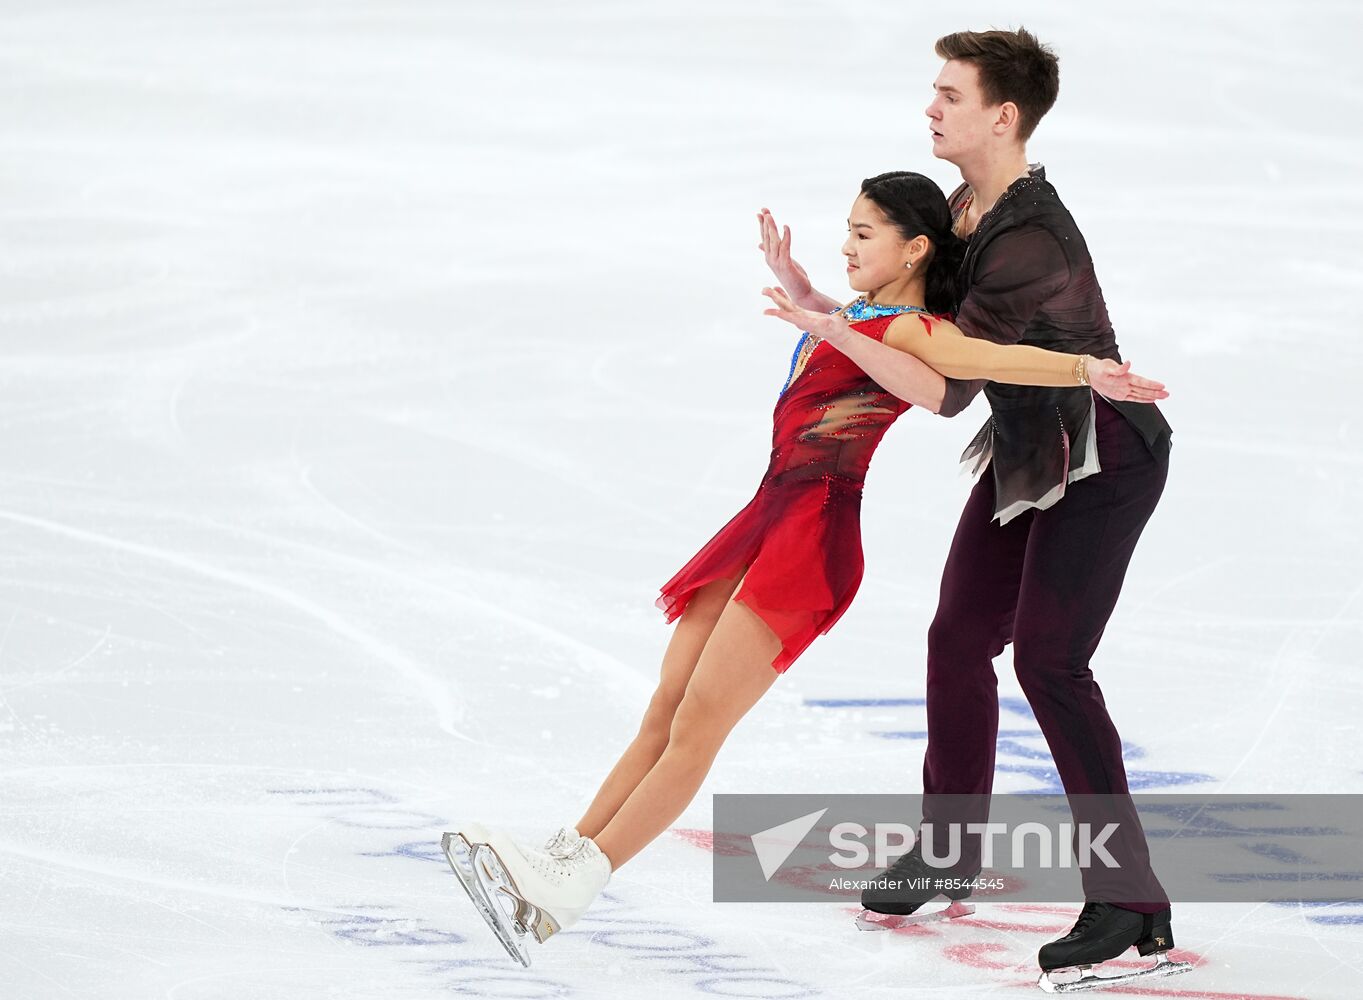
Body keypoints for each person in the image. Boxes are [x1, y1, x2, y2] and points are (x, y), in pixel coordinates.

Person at [441, 171, 1168, 968]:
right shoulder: (865, 314)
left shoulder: (913, 331)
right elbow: (855, 324)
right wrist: (808, 293)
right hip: (764, 518)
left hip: (810, 537)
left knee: (696, 728)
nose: (847, 244)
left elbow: (977, 359)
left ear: (913, 249)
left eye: (863, 233)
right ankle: (562, 861)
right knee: (667, 706)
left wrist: (1083, 370)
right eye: (846, 230)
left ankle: (577, 886)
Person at [759, 27, 1187, 993]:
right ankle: (950, 848)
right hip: (1033, 450)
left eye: (949, 95)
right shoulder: (963, 208)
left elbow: (946, 382)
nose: (931, 109)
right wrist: (825, 301)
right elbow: (920, 338)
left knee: (1048, 658)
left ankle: (1131, 902)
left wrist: (835, 323)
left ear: (1002, 115)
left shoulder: (1027, 236)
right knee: (958, 635)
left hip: (1105, 456)